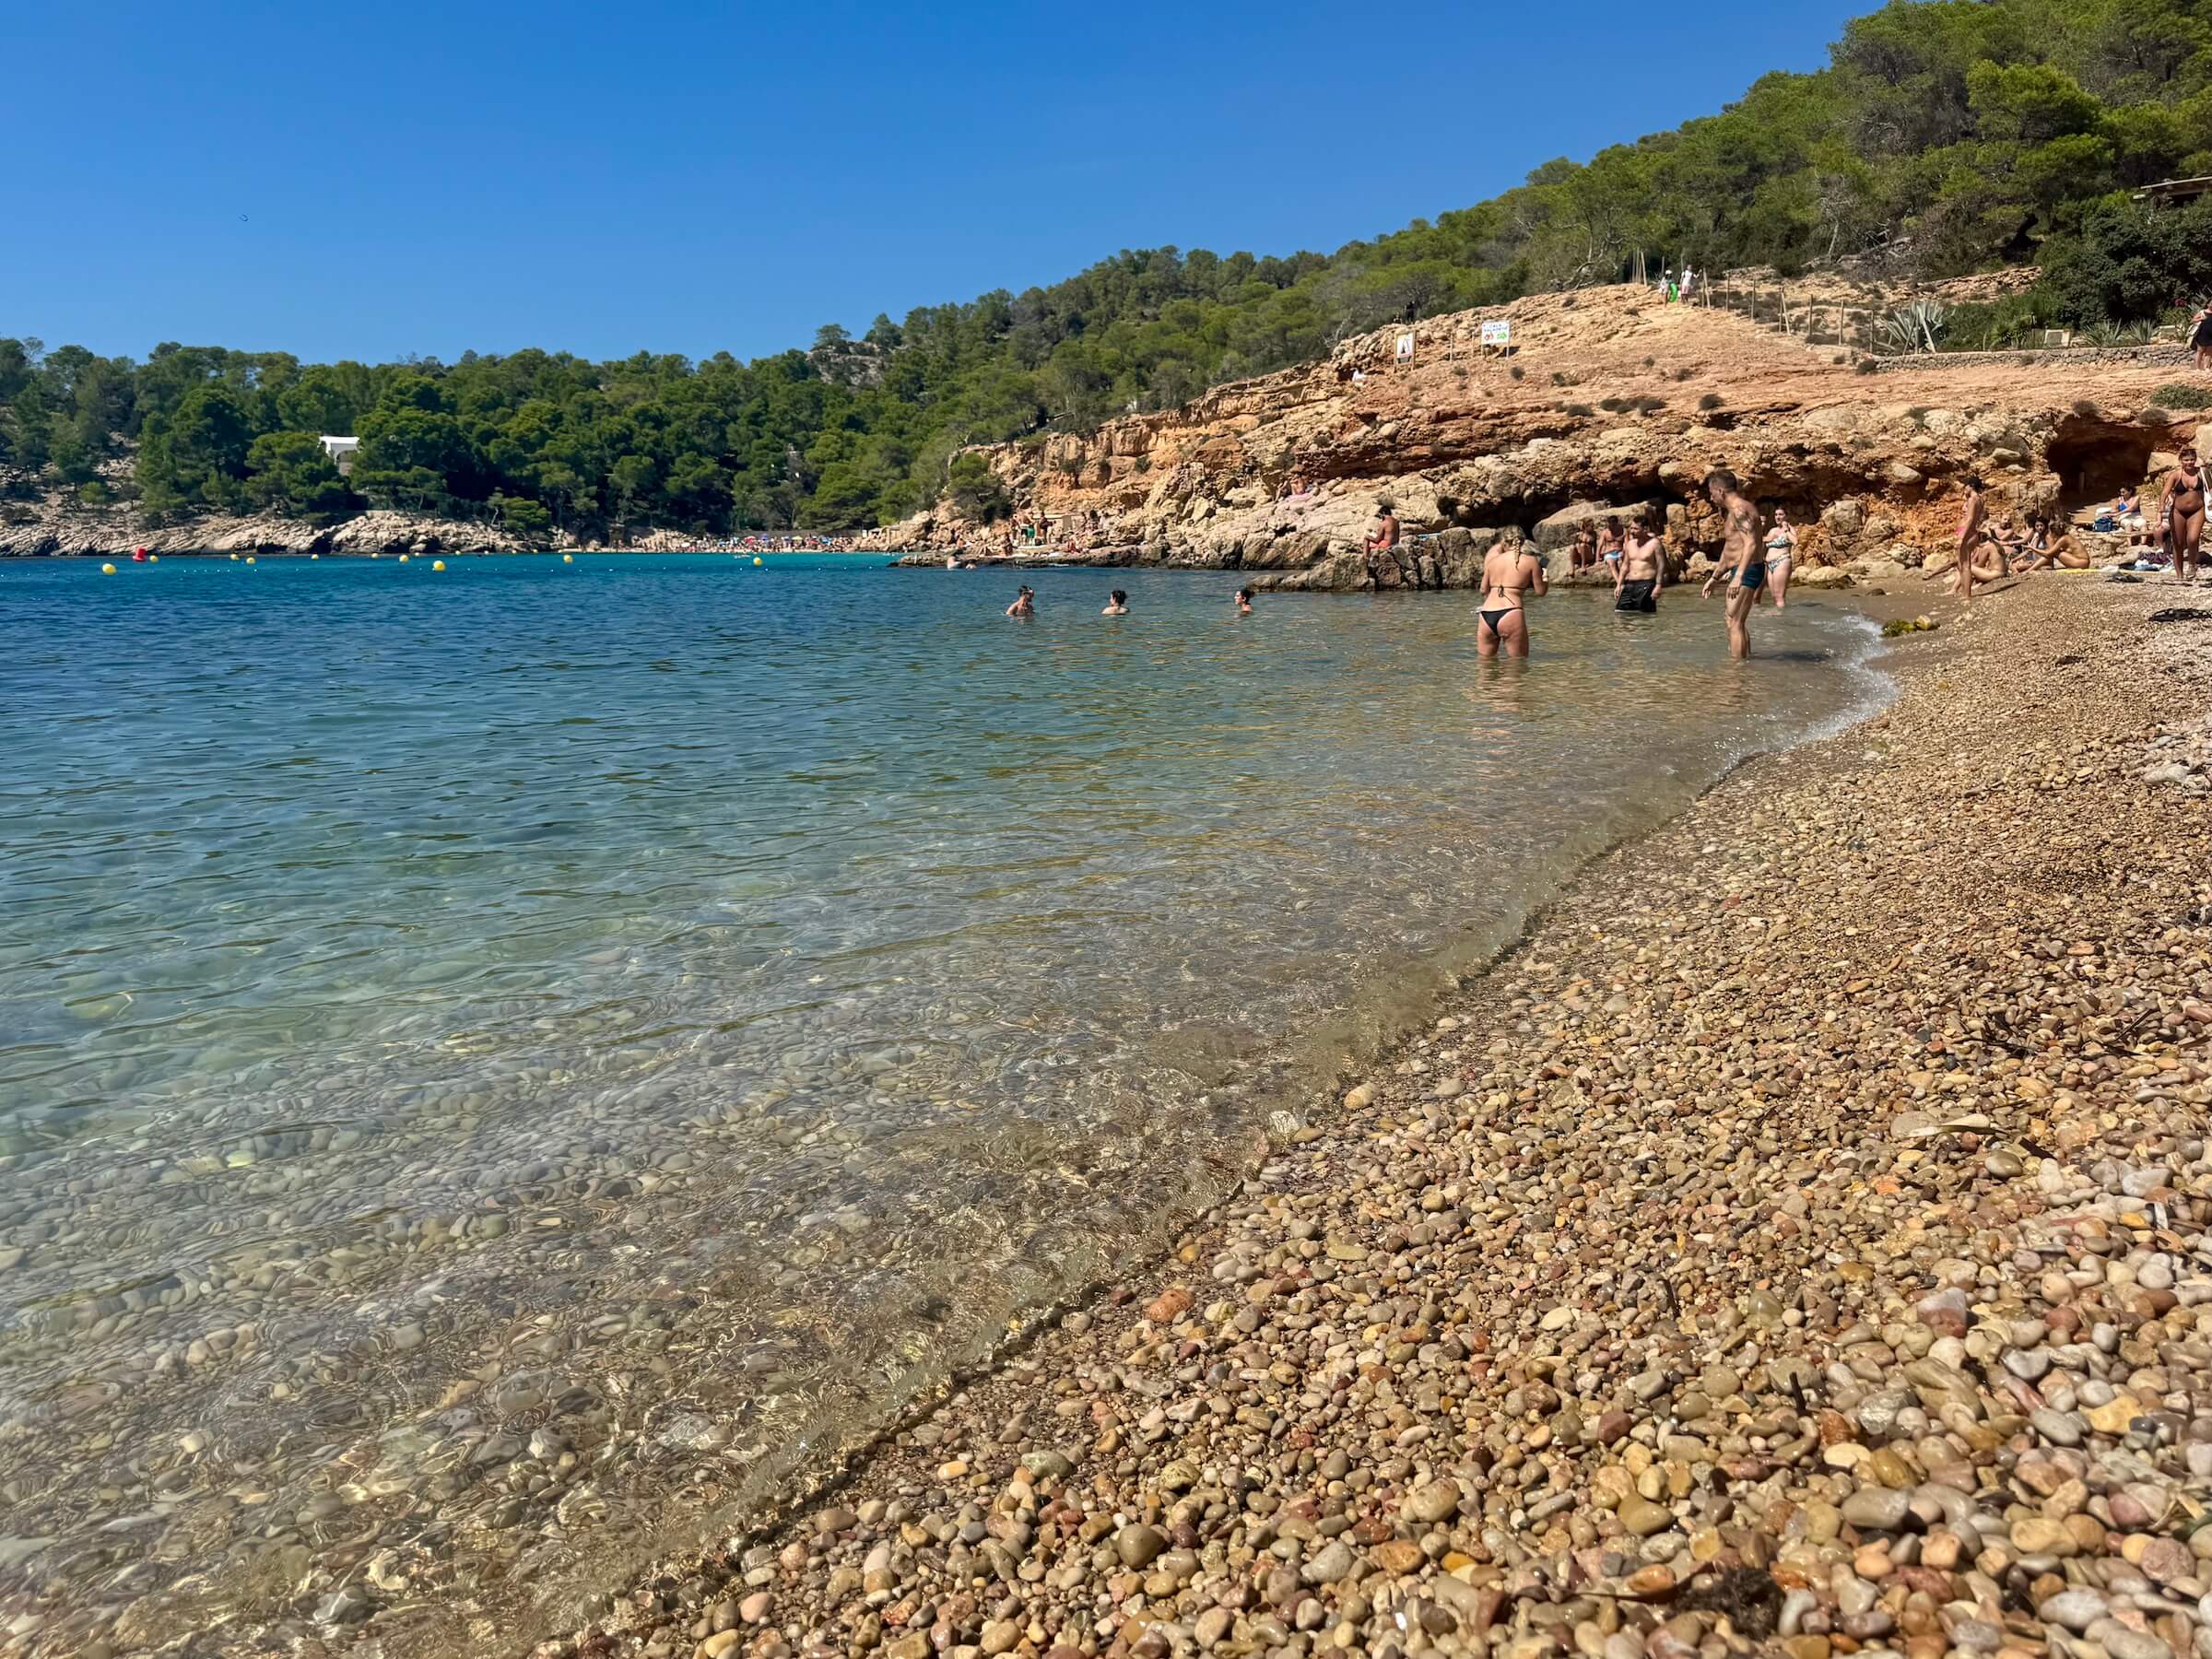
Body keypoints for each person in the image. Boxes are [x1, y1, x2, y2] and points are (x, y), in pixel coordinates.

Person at [1700, 468, 1762, 659]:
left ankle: (1737, 673)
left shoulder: (1739, 511)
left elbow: (1751, 544)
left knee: (1735, 621)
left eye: (1711, 494)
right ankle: (1747, 663)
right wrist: (1715, 576)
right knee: (1733, 620)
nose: (1711, 499)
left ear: (1720, 491)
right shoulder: (1732, 512)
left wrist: (1738, 577)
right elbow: (1730, 549)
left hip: (1748, 569)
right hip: (1742, 568)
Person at [1477, 532, 1547, 657]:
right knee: (1516, 667)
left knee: (1484, 668)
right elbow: (1540, 592)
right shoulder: (1531, 561)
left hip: (1487, 613)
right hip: (1511, 611)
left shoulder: (1492, 561)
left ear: (1504, 542)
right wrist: (1545, 577)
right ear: (1523, 542)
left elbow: (1483, 589)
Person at [2161, 446, 2206, 581]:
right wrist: (2160, 508)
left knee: (2192, 539)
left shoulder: (2202, 472)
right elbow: (2165, 492)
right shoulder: (2175, 475)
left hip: (2198, 510)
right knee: (2178, 542)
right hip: (2178, 511)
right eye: (2186, 460)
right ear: (2181, 460)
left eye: (2192, 459)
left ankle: (2192, 565)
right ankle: (2179, 575)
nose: (2189, 463)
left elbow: (2210, 488)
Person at [1615, 513, 1666, 612]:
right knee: (1620, 613)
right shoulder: (1630, 544)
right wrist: (1619, 584)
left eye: (1636, 529)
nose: (1632, 531)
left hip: (1646, 584)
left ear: (1645, 529)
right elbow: (1625, 566)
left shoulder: (1655, 543)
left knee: (1643, 617)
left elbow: (1661, 565)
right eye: (1631, 528)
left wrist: (1658, 585)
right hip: (1629, 584)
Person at [1952, 477, 1989, 603]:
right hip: (1973, 533)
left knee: (1965, 565)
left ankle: (1967, 596)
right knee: (1963, 564)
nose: (1964, 489)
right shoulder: (1980, 500)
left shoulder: (1973, 499)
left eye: (1966, 486)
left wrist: (1961, 537)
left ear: (1971, 486)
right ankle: (1964, 594)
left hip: (1967, 533)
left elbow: (1970, 518)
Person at [1761, 504, 1799, 608]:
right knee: (1774, 596)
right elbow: (1762, 540)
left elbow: (1795, 541)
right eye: (1776, 514)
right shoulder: (1772, 530)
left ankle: (1782, 620)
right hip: (1770, 564)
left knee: (1779, 597)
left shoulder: (1790, 529)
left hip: (1782, 561)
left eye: (1781, 514)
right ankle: (1778, 620)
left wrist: (1786, 530)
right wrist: (1762, 527)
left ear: (1786, 516)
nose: (1777, 517)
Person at [2192, 303, 2212, 373]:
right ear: (2208, 304)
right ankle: (2198, 368)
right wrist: (2201, 318)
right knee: (2200, 351)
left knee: (2209, 352)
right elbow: (2193, 320)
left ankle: (2207, 367)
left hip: (2211, 335)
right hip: (2202, 334)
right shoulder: (2202, 312)